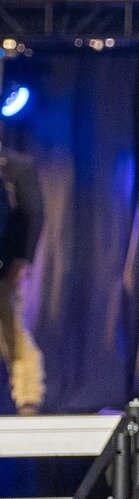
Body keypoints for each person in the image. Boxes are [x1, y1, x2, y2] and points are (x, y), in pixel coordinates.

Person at [0, 145, 45, 414]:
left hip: (5, 261)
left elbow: (32, 215)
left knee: (13, 331)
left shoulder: (16, 165)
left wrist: (22, 258)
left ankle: (28, 396)